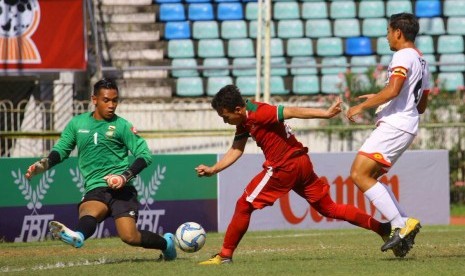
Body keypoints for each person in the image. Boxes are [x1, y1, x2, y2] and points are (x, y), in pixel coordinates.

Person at [195, 84, 393, 265]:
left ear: (238, 110)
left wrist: (324, 114)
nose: (225, 121)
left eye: (225, 117)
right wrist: (214, 169)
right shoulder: (244, 120)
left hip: (284, 167)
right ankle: (383, 229)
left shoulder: (259, 112)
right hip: (301, 164)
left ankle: (225, 255)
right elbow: (237, 149)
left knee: (244, 204)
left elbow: (290, 111)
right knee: (329, 209)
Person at [25, 78, 177, 261]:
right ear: (94, 99)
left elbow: (145, 155)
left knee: (129, 237)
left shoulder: (122, 126)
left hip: (123, 190)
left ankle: (167, 244)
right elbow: (61, 150)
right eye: (106, 100)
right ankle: (78, 236)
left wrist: (124, 176)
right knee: (89, 212)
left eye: (115, 100)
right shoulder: (77, 124)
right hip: (96, 187)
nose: (112, 105)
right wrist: (45, 164)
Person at [346, 12, 429, 255]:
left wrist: (361, 106)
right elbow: (421, 105)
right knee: (370, 176)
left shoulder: (402, 55)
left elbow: (394, 90)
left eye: (387, 32)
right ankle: (402, 226)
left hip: (395, 125)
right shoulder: (422, 61)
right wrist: (381, 98)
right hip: (407, 125)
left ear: (398, 32)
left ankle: (400, 224)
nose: (386, 37)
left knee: (358, 174)